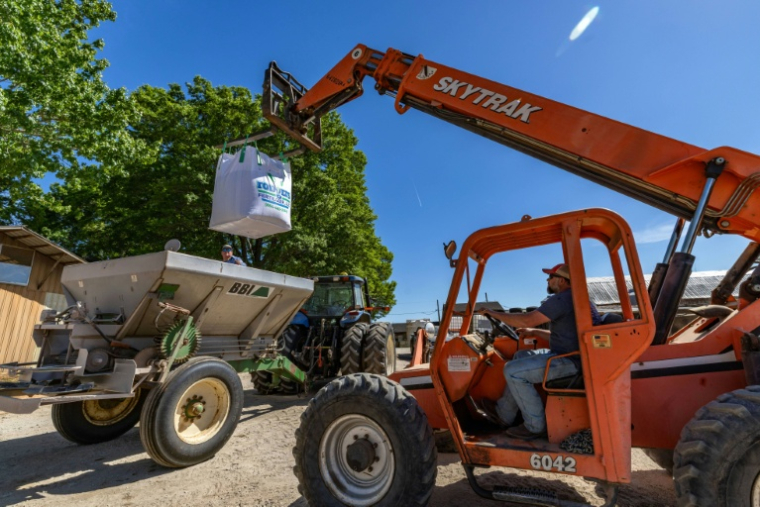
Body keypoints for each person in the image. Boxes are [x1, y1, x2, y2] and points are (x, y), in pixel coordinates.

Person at [477, 263, 600, 440]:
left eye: (551, 277)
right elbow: (565, 336)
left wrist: (493, 313)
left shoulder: (563, 299)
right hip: (571, 355)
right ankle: (504, 414)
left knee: (512, 371)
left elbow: (527, 319)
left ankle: (535, 427)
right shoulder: (577, 299)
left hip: (570, 361)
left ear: (562, 280)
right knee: (520, 356)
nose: (547, 280)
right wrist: (534, 332)